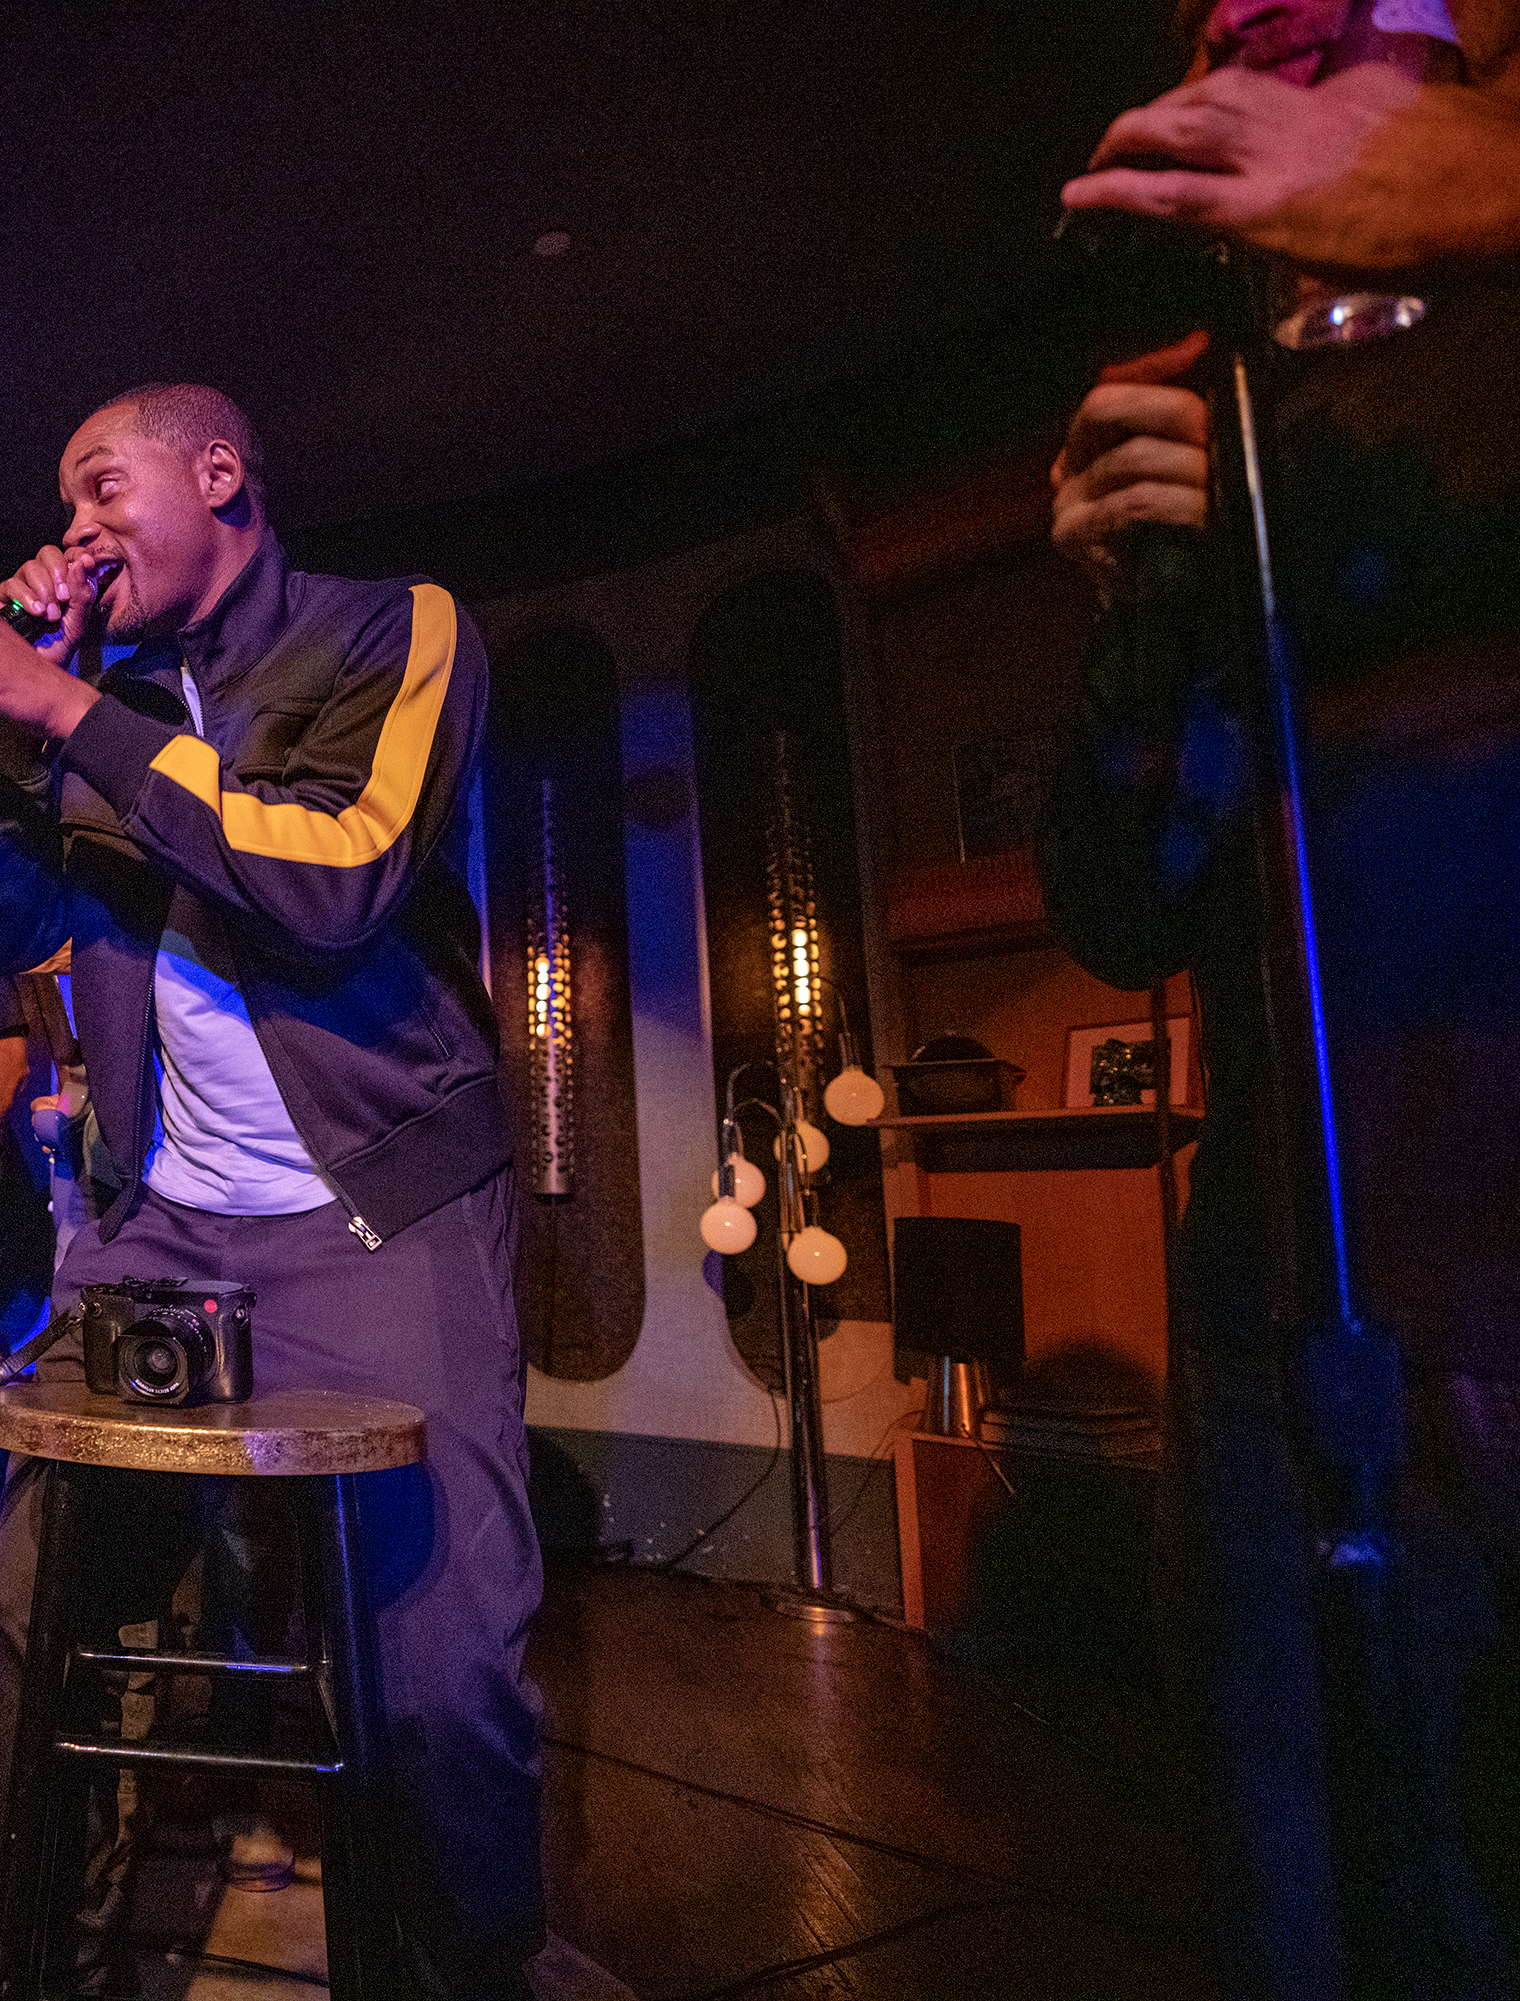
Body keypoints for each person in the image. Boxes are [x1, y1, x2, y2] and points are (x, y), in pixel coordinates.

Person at [0, 385, 611, 1999]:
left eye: (100, 483)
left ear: (221, 476)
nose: (72, 524)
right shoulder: (95, 691)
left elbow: (336, 878)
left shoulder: (387, 628)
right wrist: (7, 719)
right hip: (161, 1225)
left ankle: (480, 1957)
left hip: (379, 1211)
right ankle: (32, 1925)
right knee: (16, 1604)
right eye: (58, 497)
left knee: (435, 1673)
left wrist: (65, 713)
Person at [1046, 4, 1520, 1992]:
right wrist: (1124, 642)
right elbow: (1127, 907)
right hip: (1299, 1323)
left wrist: (1488, 186)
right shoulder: (1219, 399)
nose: (1285, 46)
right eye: (1248, 25)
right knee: (1315, 1922)